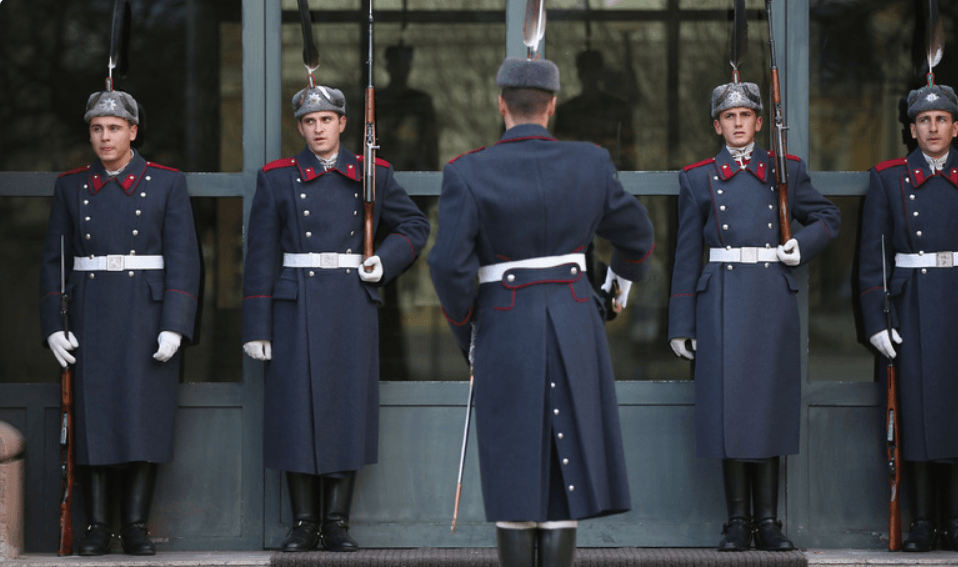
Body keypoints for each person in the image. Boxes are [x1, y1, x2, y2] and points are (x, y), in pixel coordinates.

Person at [427, 57, 654, 567]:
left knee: (511, 459)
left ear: (500, 104)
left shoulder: (467, 170)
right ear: (552, 106)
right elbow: (638, 235)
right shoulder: (591, 162)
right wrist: (617, 285)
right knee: (566, 459)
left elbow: (447, 267)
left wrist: (467, 331)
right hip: (576, 319)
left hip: (504, 321)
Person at [241, 80, 429, 552]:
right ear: (300, 127)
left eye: (326, 120)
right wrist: (257, 325)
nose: (318, 128)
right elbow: (260, 255)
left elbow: (414, 225)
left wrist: (384, 261)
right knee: (294, 411)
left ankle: (337, 521)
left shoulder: (373, 173)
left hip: (350, 300)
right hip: (295, 304)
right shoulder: (277, 177)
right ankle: (304, 522)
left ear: (343, 124)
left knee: (346, 408)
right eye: (309, 121)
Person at [667, 80, 840, 551]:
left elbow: (828, 217)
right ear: (716, 125)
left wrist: (798, 247)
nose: (738, 123)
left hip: (770, 296)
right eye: (729, 117)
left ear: (760, 123)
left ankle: (768, 521)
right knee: (728, 411)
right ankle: (737, 522)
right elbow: (685, 252)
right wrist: (681, 322)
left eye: (746, 116)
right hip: (720, 297)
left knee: (768, 408)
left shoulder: (785, 169)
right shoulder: (698, 176)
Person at [40, 88, 201, 556]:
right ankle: (96, 527)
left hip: (148, 314)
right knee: (94, 425)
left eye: (114, 128)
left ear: (132, 132)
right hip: (90, 311)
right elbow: (55, 259)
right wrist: (54, 322)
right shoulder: (70, 186)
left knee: (142, 422)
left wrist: (176, 322)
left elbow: (184, 259)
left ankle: (134, 526)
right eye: (97, 129)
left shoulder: (167, 182)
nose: (105, 137)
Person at [857, 84, 958, 553]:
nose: (933, 128)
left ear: (955, 127)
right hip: (913, 306)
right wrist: (875, 320)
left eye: (941, 120)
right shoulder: (888, 177)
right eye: (924, 121)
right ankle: (923, 523)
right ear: (911, 129)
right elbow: (871, 255)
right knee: (917, 415)